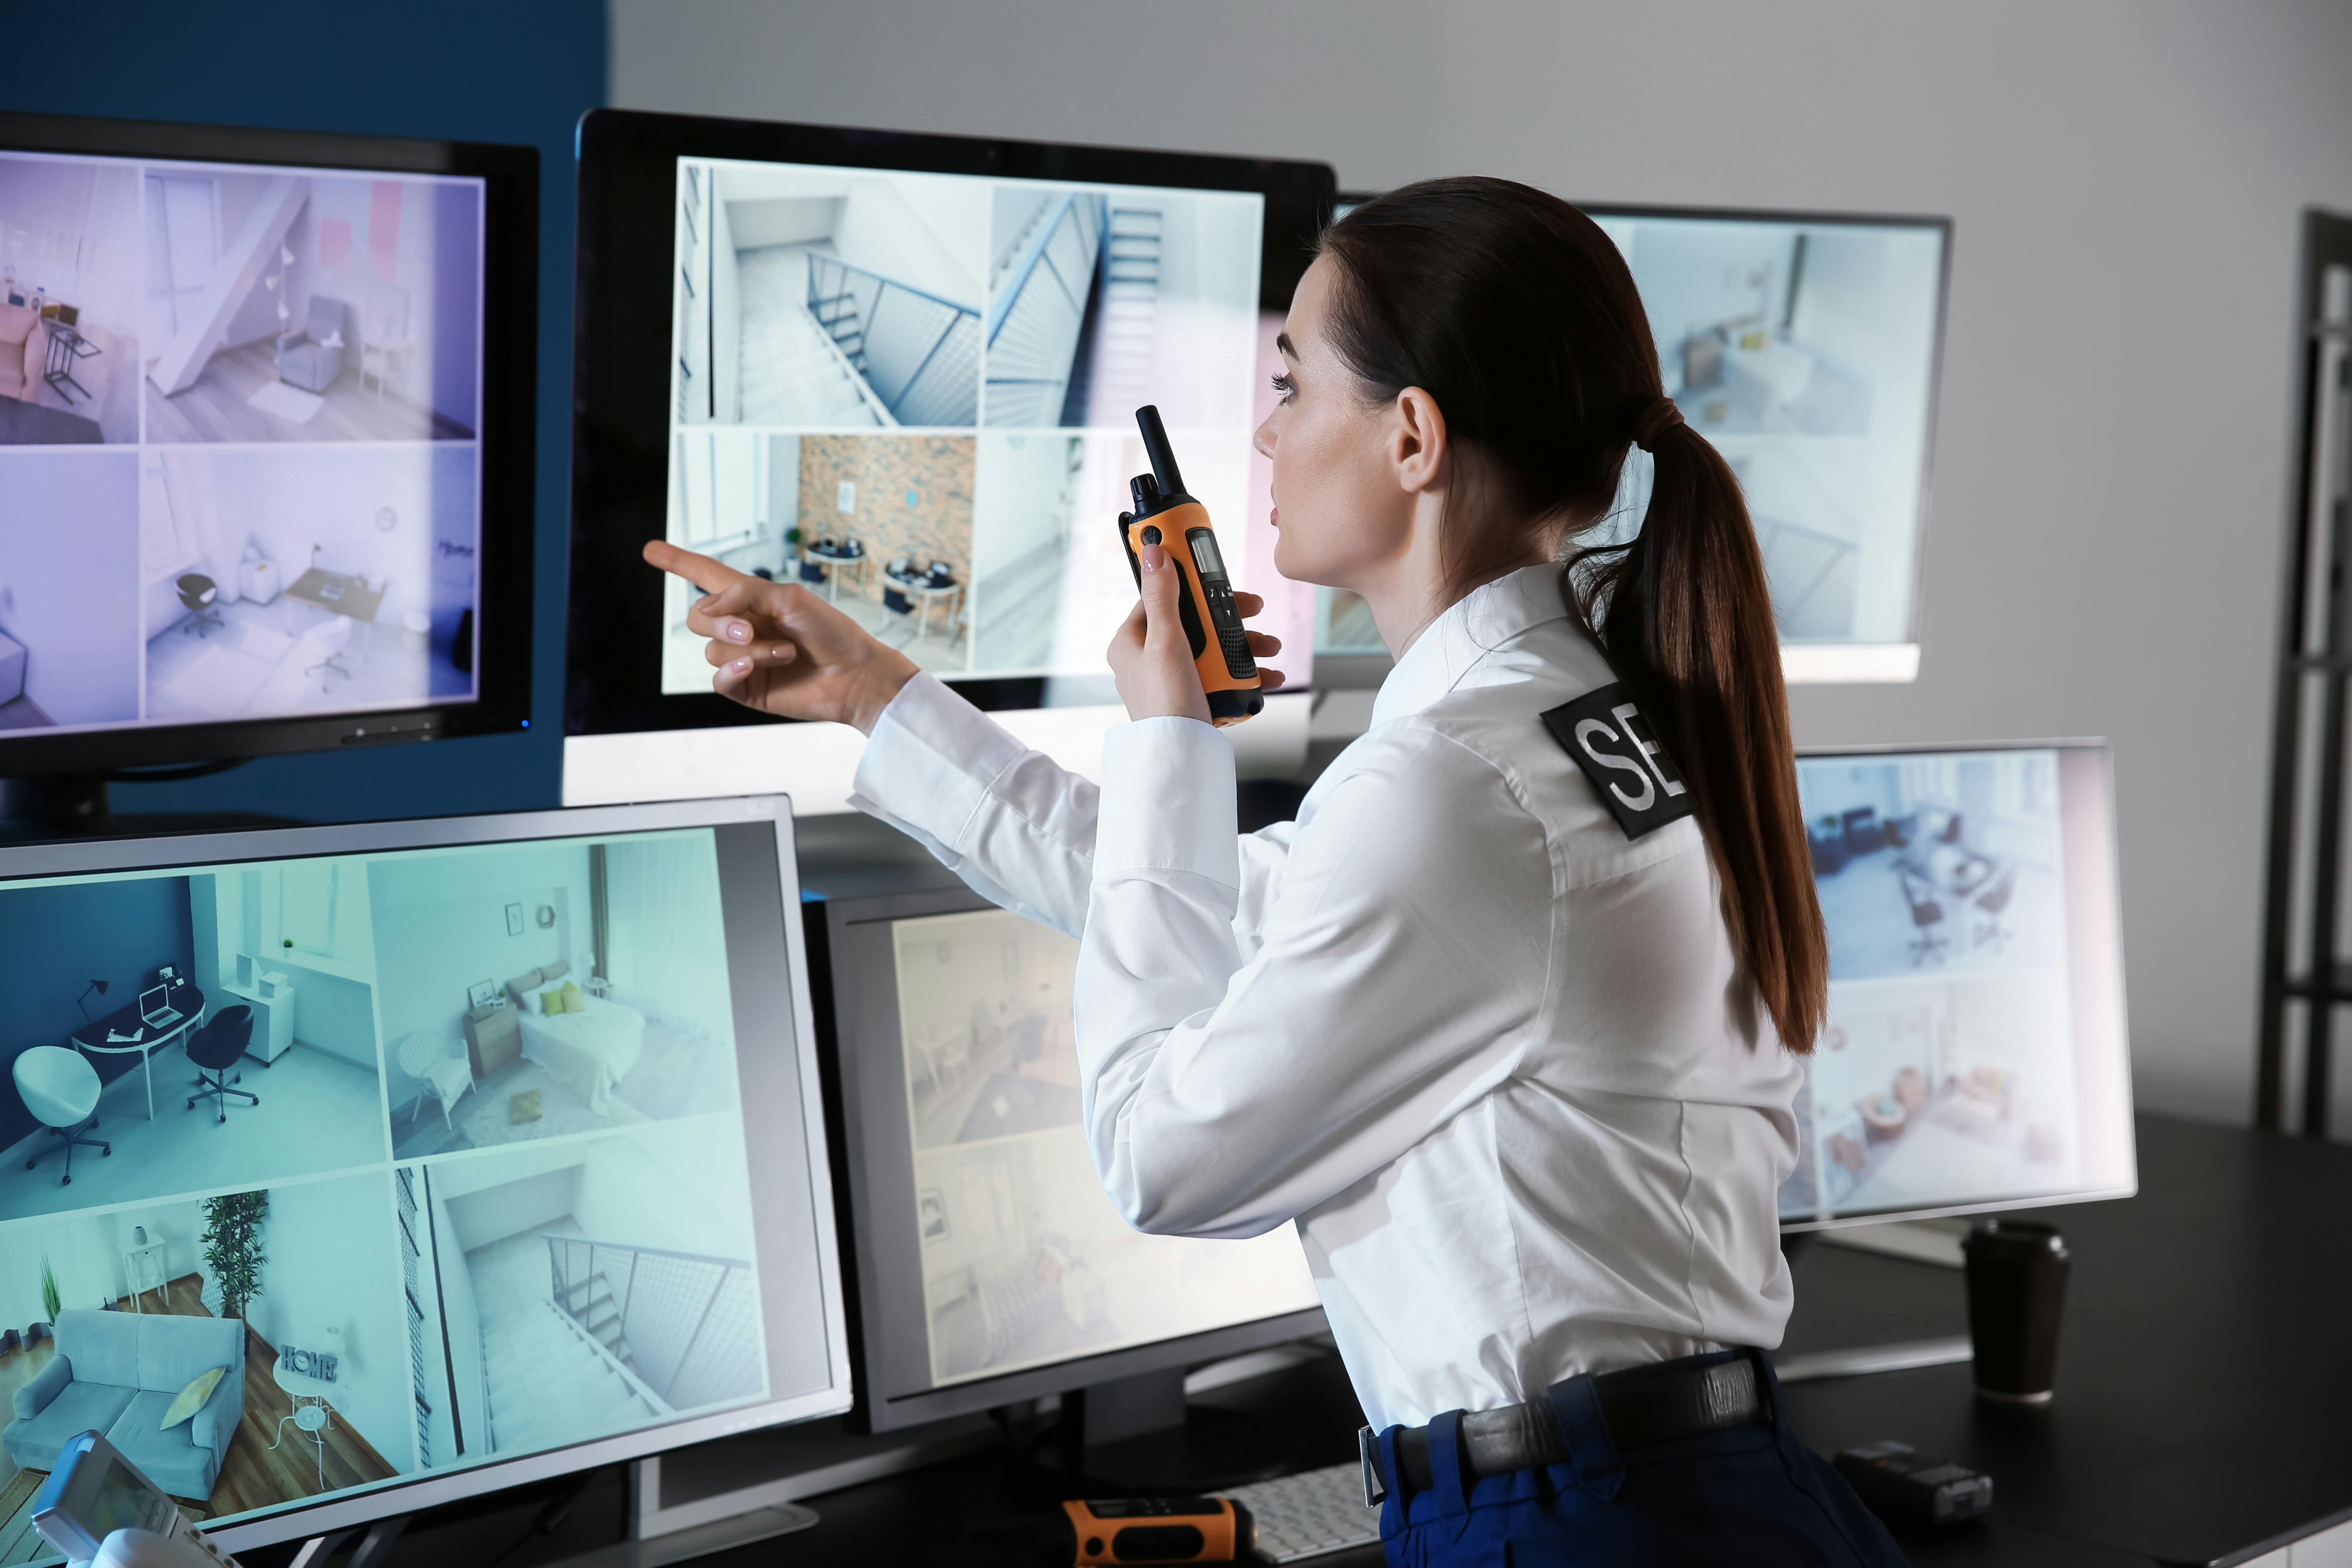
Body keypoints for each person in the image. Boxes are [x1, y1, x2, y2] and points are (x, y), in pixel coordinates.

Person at [648, 177, 1902, 1566]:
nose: (1262, 431)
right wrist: (877, 696)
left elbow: (1163, 1157)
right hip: (1696, 1494)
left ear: (1413, 438)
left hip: (1582, 1527)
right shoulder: (1572, 719)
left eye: (1294, 386)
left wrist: (1174, 734)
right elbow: (1207, 896)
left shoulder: (1457, 785)